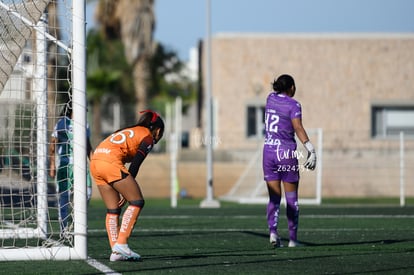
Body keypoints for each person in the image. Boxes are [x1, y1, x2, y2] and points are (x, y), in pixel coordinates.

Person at [89, 110, 164, 262]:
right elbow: (135, 165)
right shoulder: (148, 137)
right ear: (158, 130)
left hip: (96, 161)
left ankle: (116, 251)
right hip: (109, 162)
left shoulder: (127, 130)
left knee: (113, 209)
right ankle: (122, 244)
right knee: (137, 201)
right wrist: (126, 191)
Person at [262, 74, 317, 248]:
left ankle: (273, 232)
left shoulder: (270, 99)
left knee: (274, 198)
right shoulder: (294, 105)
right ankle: (293, 239)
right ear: (291, 87)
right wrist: (311, 149)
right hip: (285, 153)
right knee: (291, 199)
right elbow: (298, 127)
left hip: (268, 152)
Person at [49, 102, 94, 235]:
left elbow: (88, 146)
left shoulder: (85, 125)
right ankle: (64, 229)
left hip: (81, 166)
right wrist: (52, 165)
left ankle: (77, 223)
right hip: (65, 165)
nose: (85, 111)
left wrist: (95, 164)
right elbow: (52, 145)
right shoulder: (62, 123)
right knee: (64, 198)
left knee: (87, 193)